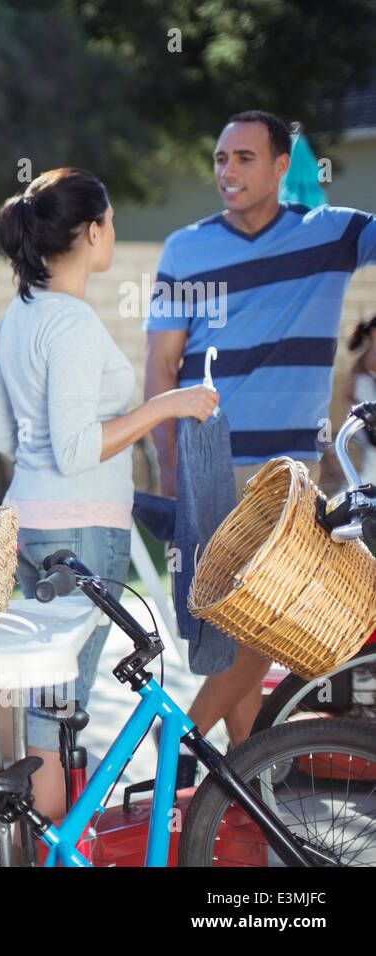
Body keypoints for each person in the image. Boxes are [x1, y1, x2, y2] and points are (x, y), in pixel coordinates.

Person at [0, 168, 218, 822]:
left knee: (46, 708)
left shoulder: (18, 317)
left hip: (31, 526)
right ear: (91, 232)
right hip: (82, 536)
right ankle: (55, 851)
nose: (112, 233)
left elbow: (1, 433)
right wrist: (164, 405)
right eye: (110, 222)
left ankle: (44, 848)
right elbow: (79, 448)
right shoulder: (74, 323)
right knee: (54, 719)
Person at [144, 110, 376, 750]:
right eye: (221, 158)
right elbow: (162, 365)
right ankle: (249, 785)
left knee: (268, 624)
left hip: (287, 476)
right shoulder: (185, 248)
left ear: (281, 167)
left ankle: (183, 743)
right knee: (228, 632)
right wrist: (169, 474)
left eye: (245, 158)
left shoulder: (333, 235)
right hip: (208, 462)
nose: (228, 170)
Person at [346, 316, 376, 486]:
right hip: (368, 421)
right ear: (373, 332)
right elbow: (348, 391)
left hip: (365, 418)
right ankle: (355, 502)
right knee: (372, 467)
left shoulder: (366, 356)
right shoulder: (371, 356)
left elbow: (347, 392)